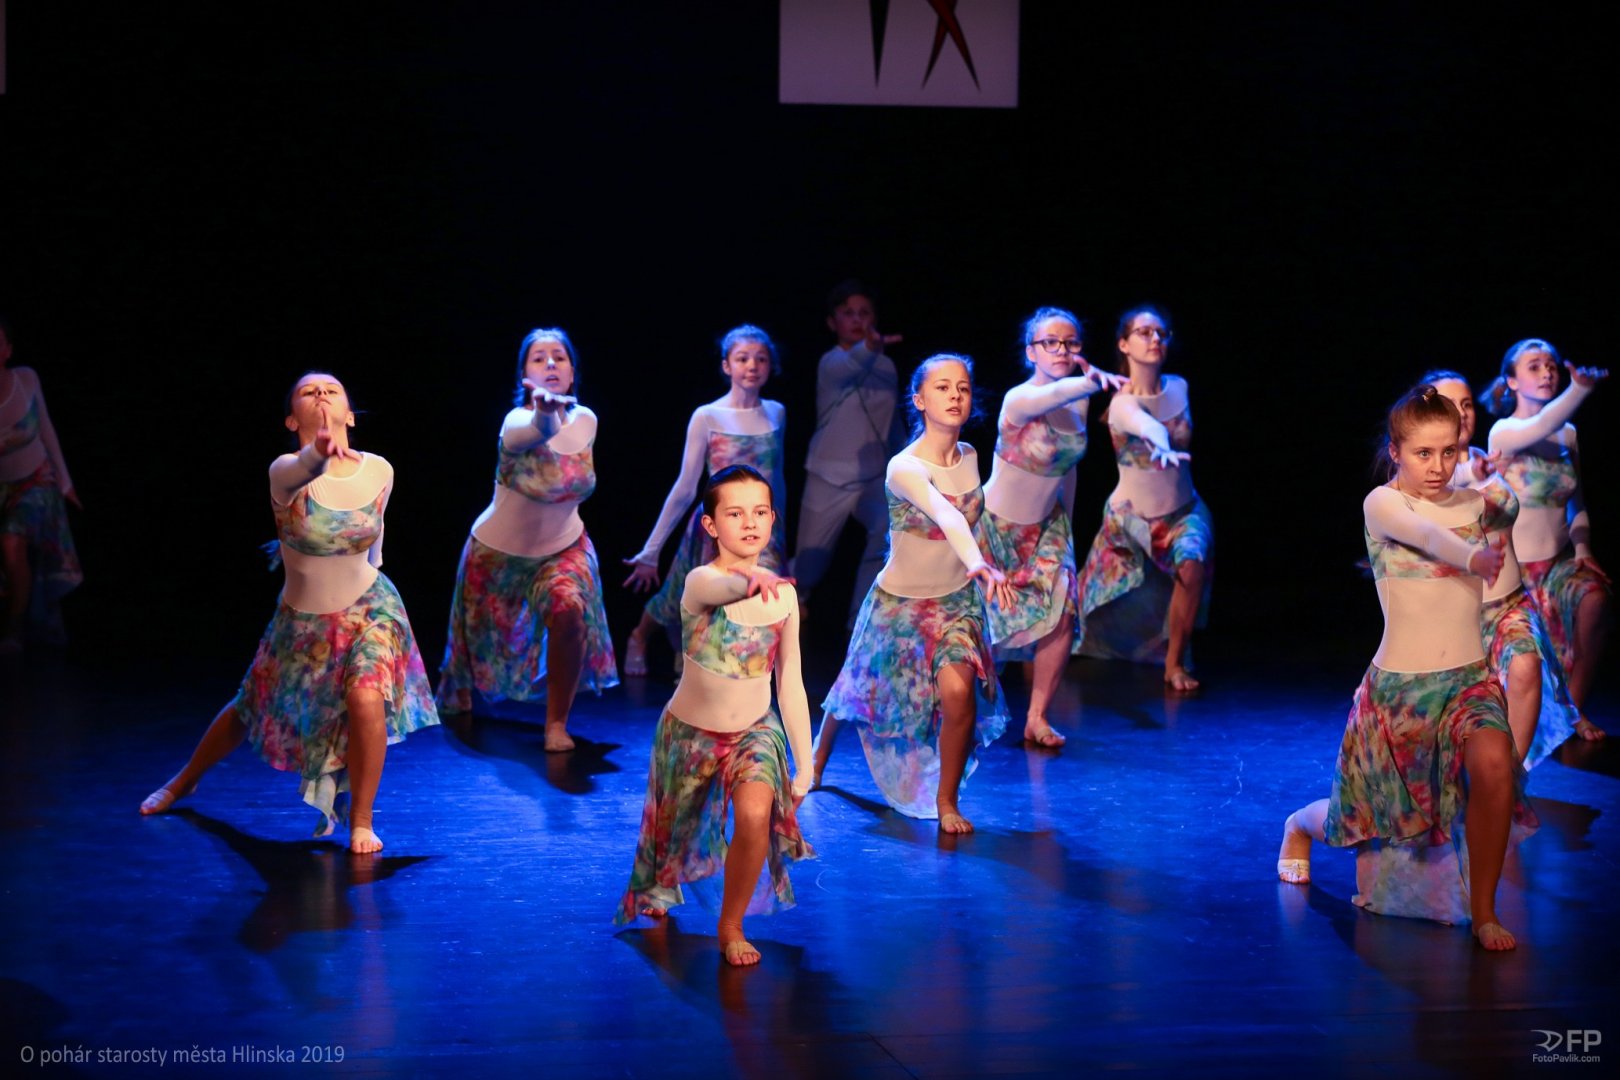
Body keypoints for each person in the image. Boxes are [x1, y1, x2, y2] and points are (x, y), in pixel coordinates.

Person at [139, 373, 440, 854]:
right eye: (308, 391)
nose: (321, 394)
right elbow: (304, 467)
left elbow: (374, 550)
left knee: (366, 697)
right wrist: (318, 453)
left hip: (370, 610)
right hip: (302, 622)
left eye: (332, 390)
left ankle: (361, 820)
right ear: (291, 420)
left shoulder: (380, 470)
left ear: (350, 415)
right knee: (249, 706)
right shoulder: (284, 471)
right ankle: (185, 780)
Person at [1277, 385, 1529, 951]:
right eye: (1423, 453)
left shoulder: (1480, 503)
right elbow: (1429, 536)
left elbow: (1508, 529)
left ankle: (1485, 912)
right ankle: (1298, 825)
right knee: (1362, 821)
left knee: (1495, 767)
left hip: (1469, 682)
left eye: (1449, 451)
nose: (1438, 466)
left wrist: (1495, 489)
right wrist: (1472, 555)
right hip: (1399, 695)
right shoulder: (1383, 505)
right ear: (1395, 451)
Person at [616, 464, 814, 967]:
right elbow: (722, 589)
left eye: (760, 512)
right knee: (676, 837)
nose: (750, 523)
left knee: (754, 815)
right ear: (710, 525)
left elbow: (790, 681)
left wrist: (805, 764)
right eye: (735, 513)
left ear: (772, 519)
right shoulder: (700, 581)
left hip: (755, 732)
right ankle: (661, 881)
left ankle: (731, 924)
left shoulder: (785, 595)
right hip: (690, 735)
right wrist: (752, 579)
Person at [816, 355, 1013, 833]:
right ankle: (817, 759)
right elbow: (947, 515)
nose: (955, 396)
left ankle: (946, 801)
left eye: (963, 387)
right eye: (942, 388)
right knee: (854, 692)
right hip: (898, 607)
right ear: (919, 400)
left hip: (956, 605)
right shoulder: (902, 467)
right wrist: (978, 563)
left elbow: (974, 517)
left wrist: (982, 566)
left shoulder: (970, 455)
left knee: (958, 693)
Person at [437, 329, 618, 751]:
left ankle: (556, 724)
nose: (551, 363)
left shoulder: (587, 420)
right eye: (539, 358)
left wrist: (555, 412)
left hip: (564, 549)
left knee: (570, 611)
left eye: (559, 357)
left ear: (572, 372)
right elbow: (537, 430)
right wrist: (544, 412)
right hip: (496, 556)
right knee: (467, 670)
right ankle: (455, 683)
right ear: (524, 374)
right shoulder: (516, 421)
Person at [981, 306, 1127, 747]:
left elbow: (1068, 464)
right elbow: (1052, 396)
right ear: (1031, 352)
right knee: (980, 625)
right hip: (996, 530)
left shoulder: (1078, 399)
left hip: (1047, 527)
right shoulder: (1019, 398)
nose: (1061, 350)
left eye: (1070, 343)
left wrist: (1069, 526)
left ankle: (1037, 717)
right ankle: (959, 710)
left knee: (1062, 614)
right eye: (1050, 343)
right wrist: (1092, 380)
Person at [1426, 370, 1585, 767]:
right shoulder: (1425, 475)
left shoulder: (1487, 458)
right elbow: (1445, 487)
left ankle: (1509, 780)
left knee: (1527, 664)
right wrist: (1469, 473)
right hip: (1460, 614)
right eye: (1449, 405)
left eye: (1466, 404)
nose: (1462, 413)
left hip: (1511, 604)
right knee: (1458, 726)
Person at [622, 326, 788, 676]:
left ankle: (746, 671)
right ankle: (640, 637)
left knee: (760, 593)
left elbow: (778, 479)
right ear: (727, 366)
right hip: (716, 525)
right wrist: (652, 549)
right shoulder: (707, 416)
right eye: (742, 358)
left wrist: (782, 531)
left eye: (761, 359)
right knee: (685, 594)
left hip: (761, 524)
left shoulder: (776, 413)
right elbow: (686, 486)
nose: (752, 366)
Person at [1075, 305, 1211, 692]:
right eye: (1144, 332)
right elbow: (1148, 425)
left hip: (1184, 510)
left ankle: (1174, 664)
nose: (1154, 339)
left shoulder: (1180, 386)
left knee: (1192, 562)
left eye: (1161, 334)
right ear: (1124, 344)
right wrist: (1162, 444)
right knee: (1091, 608)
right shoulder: (1121, 403)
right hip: (1131, 518)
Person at [1482, 339, 1610, 739]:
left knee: (1596, 599)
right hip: (1514, 572)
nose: (1547, 372)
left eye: (1551, 365)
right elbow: (1541, 425)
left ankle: (1572, 714)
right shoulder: (1504, 432)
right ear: (1512, 381)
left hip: (1557, 564)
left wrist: (1583, 549)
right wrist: (1580, 389)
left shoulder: (1567, 434)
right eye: (1534, 366)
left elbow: (1577, 503)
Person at [792, 280, 902, 628]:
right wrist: (870, 347)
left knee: (889, 531)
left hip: (872, 478)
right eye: (848, 313)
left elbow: (893, 424)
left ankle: (861, 620)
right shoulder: (831, 362)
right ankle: (792, 604)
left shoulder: (886, 367)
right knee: (808, 566)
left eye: (864, 313)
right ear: (832, 322)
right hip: (828, 476)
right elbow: (850, 365)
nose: (857, 320)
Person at [0, 317, 83, 653]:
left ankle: (13, 629)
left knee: (11, 541)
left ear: (7, 350)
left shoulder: (26, 379)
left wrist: (65, 483)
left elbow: (46, 430)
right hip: (2, 490)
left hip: (37, 480)